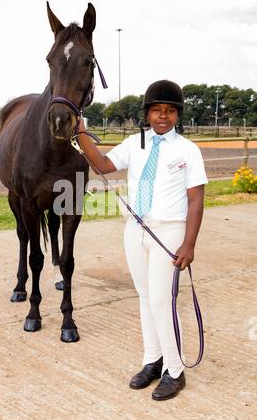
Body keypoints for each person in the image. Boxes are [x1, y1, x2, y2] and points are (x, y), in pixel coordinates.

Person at [77, 80, 208, 401]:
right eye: (156, 110)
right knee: (145, 297)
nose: (162, 116)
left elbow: (196, 200)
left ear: (177, 115)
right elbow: (103, 165)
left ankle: (175, 371)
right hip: (136, 230)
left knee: (163, 300)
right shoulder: (134, 142)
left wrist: (189, 244)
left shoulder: (188, 151)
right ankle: (153, 359)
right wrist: (80, 132)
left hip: (170, 230)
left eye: (169, 111)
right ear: (147, 113)